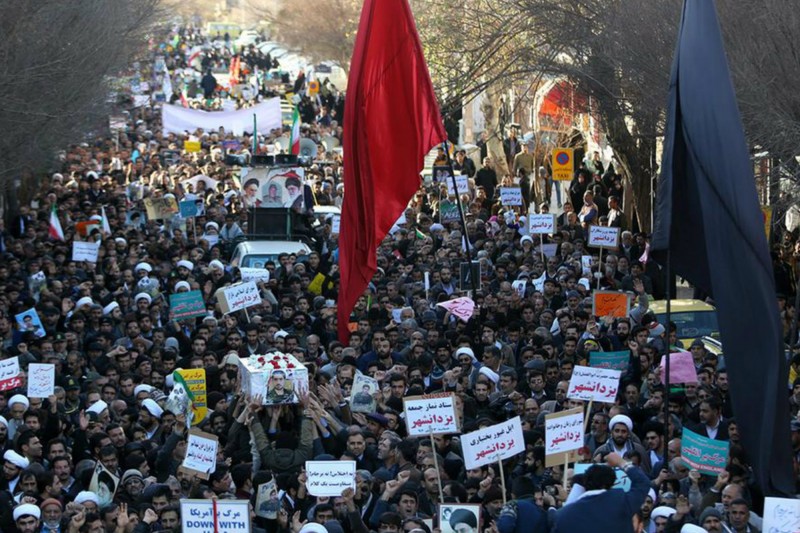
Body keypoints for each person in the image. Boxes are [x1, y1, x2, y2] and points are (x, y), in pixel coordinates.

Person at [552, 452, 650, 532]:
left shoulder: (563, 515)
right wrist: (621, 462)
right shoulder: (621, 502)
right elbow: (643, 483)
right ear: (610, 484)